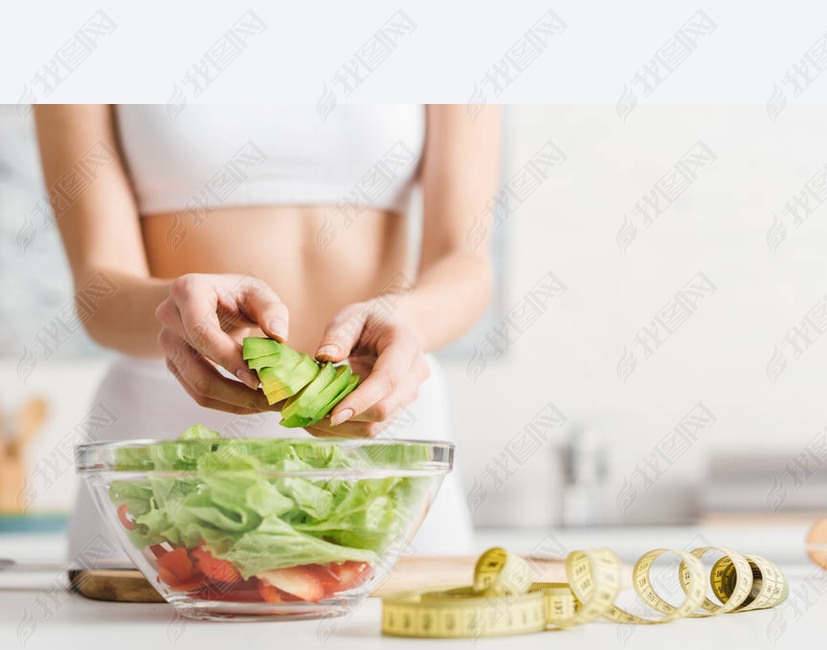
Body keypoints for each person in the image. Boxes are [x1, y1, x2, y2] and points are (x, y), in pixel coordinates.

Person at [34, 105, 500, 563]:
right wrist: (178, 308)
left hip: (381, 436)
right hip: (168, 456)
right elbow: (99, 291)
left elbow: (464, 264)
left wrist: (405, 322)